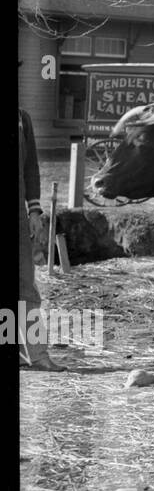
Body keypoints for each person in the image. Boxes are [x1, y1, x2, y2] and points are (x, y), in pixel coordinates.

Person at [18, 106, 65, 371]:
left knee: (26, 285)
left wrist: (34, 211)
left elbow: (31, 167)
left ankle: (36, 355)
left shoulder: (22, 118)